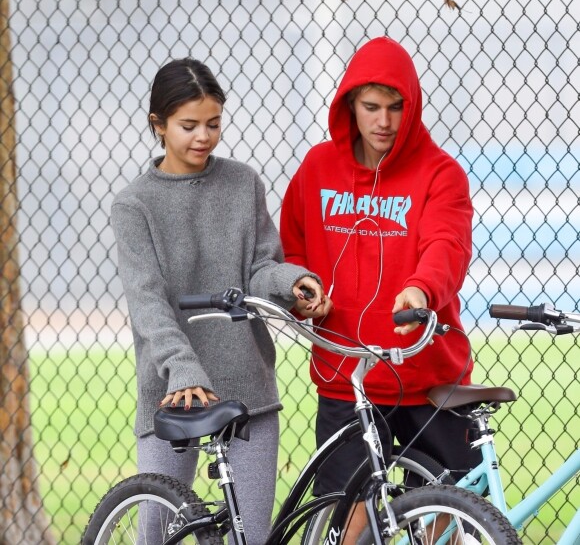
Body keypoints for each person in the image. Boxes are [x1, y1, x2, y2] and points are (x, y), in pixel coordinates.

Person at [110, 57, 331, 544]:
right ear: (159, 125)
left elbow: (259, 267)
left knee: (250, 535)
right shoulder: (134, 205)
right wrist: (182, 369)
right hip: (173, 389)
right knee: (157, 530)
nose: (203, 137)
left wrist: (292, 282)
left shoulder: (242, 182)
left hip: (245, 384)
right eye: (189, 126)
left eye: (213, 124)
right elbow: (148, 304)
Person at [280, 36, 479, 539]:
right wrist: (304, 291)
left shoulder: (441, 173)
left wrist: (420, 291)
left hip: (427, 377)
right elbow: (292, 251)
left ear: (410, 107)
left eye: (395, 108)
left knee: (444, 514)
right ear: (350, 103)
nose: (384, 122)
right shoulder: (316, 170)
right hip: (348, 376)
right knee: (352, 519)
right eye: (371, 107)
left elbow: (447, 245)